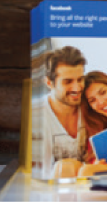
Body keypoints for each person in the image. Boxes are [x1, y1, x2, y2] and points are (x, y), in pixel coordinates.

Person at [41, 46, 87, 179]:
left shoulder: (92, 105)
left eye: (80, 79)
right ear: (49, 83)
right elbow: (41, 175)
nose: (77, 88)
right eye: (68, 82)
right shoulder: (38, 115)